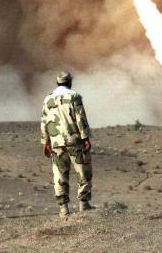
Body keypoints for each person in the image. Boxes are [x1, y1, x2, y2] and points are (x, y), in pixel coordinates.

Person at [41, 71, 93, 218]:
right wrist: (86, 138)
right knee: (83, 171)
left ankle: (63, 208)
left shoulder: (47, 99)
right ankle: (84, 203)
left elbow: (44, 121)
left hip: (56, 142)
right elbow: (80, 118)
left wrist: (45, 142)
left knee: (59, 175)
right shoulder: (74, 96)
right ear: (69, 82)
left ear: (57, 82)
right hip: (74, 140)